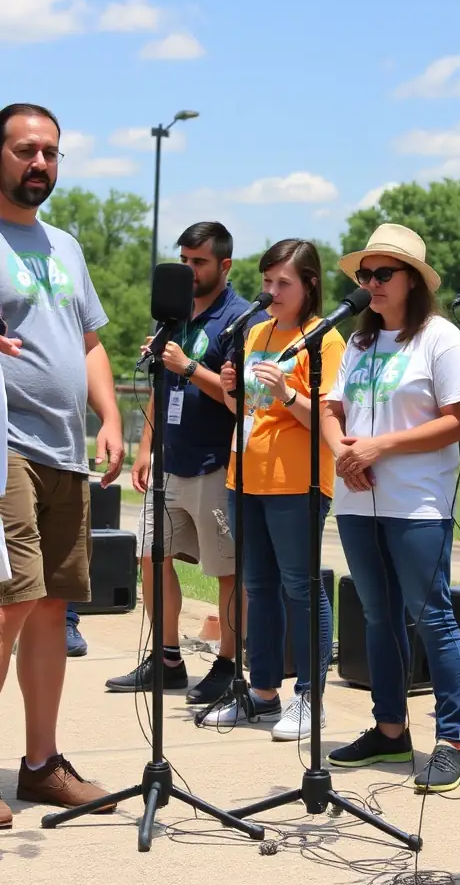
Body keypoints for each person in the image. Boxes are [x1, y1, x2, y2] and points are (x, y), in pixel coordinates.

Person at [0, 103, 125, 829]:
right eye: (25, 150)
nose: (39, 163)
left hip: (63, 450)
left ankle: (41, 766)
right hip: (4, 445)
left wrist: (109, 418)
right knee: (11, 599)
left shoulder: (66, 246)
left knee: (51, 606)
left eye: (51, 152)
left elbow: (88, 342)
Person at [323, 224, 460, 794]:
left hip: (416, 501)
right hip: (358, 499)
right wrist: (345, 453)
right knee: (376, 616)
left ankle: (452, 739)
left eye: (384, 273)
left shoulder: (439, 338)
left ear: (414, 280)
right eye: (366, 274)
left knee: (430, 614)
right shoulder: (358, 342)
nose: (372, 283)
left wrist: (379, 447)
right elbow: (332, 408)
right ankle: (389, 729)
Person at [106, 222, 260, 707]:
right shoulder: (172, 316)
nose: (190, 271)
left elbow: (242, 397)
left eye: (200, 263)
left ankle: (227, 665)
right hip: (171, 461)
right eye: (185, 261)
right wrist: (147, 448)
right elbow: (160, 387)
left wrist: (189, 367)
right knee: (152, 557)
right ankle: (167, 659)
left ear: (225, 265)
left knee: (226, 571)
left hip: (219, 462)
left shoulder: (239, 320)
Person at [204, 239, 344, 740]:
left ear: (309, 284)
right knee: (257, 587)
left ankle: (310, 697)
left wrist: (287, 392)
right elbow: (241, 409)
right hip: (244, 478)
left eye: (282, 282)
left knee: (301, 587)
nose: (271, 291)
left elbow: (326, 418)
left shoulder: (323, 340)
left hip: (296, 483)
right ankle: (262, 694)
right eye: (266, 281)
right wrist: (229, 388)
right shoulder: (255, 331)